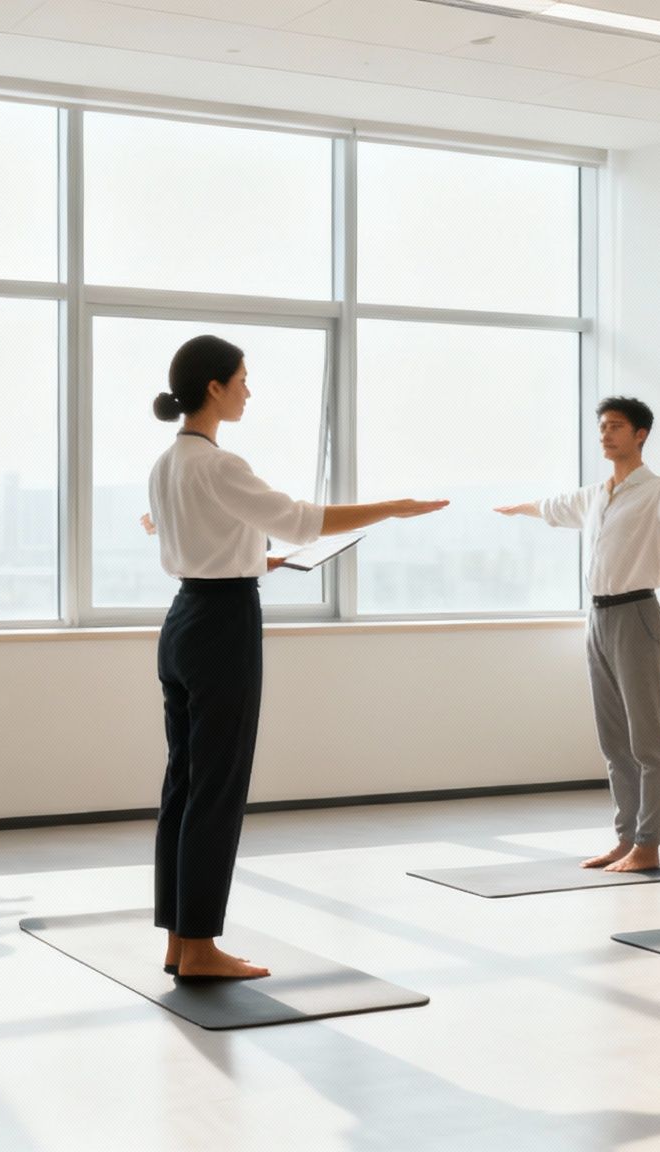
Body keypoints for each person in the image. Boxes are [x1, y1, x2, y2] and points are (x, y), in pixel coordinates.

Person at [148, 334, 447, 980]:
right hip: (223, 623)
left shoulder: (167, 463)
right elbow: (301, 519)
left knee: (185, 783)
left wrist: (258, 558)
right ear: (215, 389)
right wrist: (394, 507)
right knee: (218, 787)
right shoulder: (219, 464)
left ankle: (178, 938)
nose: (250, 390)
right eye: (243, 379)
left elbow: (203, 538)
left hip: (181, 622)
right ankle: (199, 948)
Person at [496, 397, 660, 873]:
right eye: (602, 427)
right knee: (613, 740)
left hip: (636, 614)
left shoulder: (658, 490)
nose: (605, 434)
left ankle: (649, 843)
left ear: (640, 434)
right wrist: (522, 508)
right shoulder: (597, 494)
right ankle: (625, 838)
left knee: (646, 741)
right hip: (597, 619)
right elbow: (554, 506)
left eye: (615, 426)